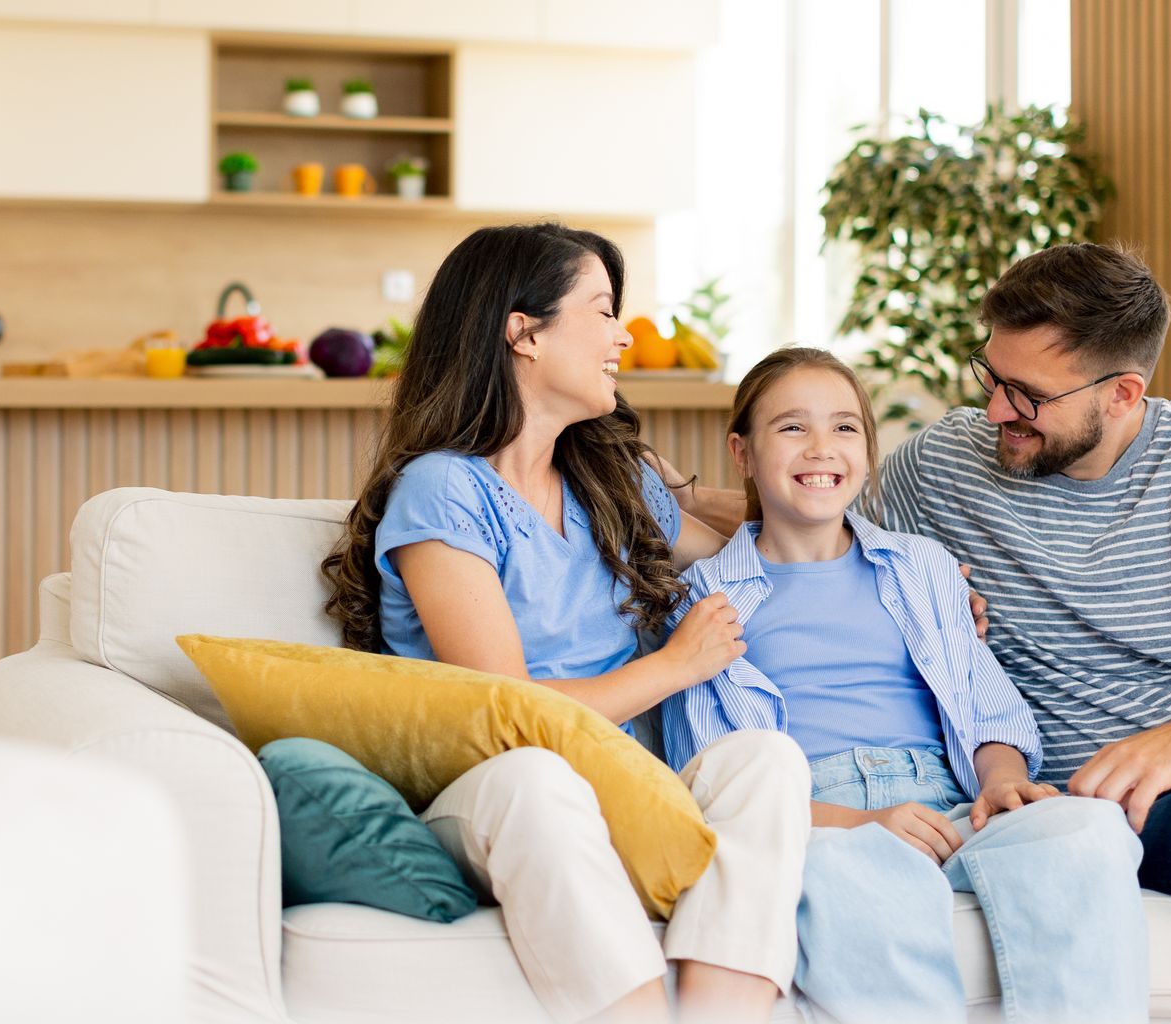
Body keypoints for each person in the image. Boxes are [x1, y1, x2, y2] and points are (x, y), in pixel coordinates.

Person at [665, 244, 1171, 1007]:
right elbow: (810, 526)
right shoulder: (942, 465)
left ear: (1122, 393)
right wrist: (669, 503)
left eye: (1025, 395)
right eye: (990, 376)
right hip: (1116, 796)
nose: (994, 411)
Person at [320, 222, 813, 1024]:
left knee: (765, 760)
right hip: (489, 791)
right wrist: (671, 667)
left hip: (627, 783)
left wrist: (911, 576)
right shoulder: (445, 491)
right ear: (524, 334)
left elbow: (764, 556)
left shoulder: (605, 483)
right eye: (602, 310)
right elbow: (505, 710)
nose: (624, 337)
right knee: (537, 781)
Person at [662, 346, 1148, 1023]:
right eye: (792, 428)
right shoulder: (705, 595)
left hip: (951, 804)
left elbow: (985, 708)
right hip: (819, 817)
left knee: (1086, 831)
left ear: (867, 451)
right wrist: (864, 822)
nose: (821, 448)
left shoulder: (921, 567)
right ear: (741, 452)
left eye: (844, 427)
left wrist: (1003, 780)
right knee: (852, 876)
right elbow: (714, 782)